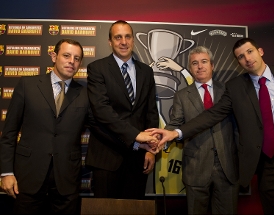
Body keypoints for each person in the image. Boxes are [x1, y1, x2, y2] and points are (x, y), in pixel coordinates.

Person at [148, 38, 274, 214]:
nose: (247, 59)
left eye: (250, 52)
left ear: (261, 51)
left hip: (242, 164)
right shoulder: (236, 88)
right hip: (268, 164)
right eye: (241, 56)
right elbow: (210, 115)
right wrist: (174, 133)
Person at [0, 38, 91, 214]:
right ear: (53, 56)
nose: (72, 61)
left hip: (66, 179)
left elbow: (104, 126)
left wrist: (137, 138)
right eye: (66, 55)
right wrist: (6, 173)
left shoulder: (86, 94)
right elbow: (9, 133)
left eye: (77, 58)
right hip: (28, 176)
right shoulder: (27, 85)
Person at [85, 20, 159, 200]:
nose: (123, 42)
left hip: (138, 159)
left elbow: (150, 111)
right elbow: (102, 111)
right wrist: (136, 136)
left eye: (127, 37)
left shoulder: (146, 71)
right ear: (110, 42)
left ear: (133, 40)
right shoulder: (97, 69)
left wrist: (150, 149)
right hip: (107, 158)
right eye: (118, 37)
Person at [165, 46, 239, 214]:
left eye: (204, 62)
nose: (200, 66)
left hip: (227, 166)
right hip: (196, 166)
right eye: (195, 63)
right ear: (190, 68)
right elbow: (175, 123)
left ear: (212, 65)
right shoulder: (182, 95)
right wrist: (162, 138)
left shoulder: (229, 91)